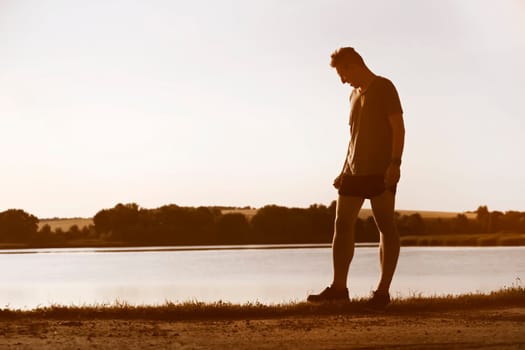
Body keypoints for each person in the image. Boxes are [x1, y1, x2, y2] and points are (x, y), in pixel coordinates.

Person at [307, 47, 405, 310]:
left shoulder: (384, 87)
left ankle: (382, 292)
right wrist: (343, 169)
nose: (342, 80)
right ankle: (339, 288)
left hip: (381, 171)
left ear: (353, 65)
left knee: (385, 226)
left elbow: (399, 128)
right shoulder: (352, 95)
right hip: (353, 172)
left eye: (342, 73)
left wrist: (395, 164)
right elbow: (354, 138)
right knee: (342, 223)